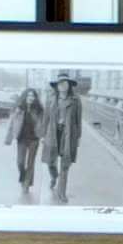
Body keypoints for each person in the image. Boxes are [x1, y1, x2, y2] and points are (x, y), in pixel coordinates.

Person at [43, 72, 83, 206]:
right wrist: (43, 135)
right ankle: (54, 177)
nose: (62, 85)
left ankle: (62, 193)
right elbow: (46, 118)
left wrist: (78, 138)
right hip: (53, 134)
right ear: (57, 86)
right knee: (50, 162)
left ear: (69, 85)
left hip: (68, 135)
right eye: (60, 83)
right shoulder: (50, 99)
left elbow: (78, 121)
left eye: (65, 83)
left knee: (65, 165)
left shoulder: (76, 100)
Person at [4, 87, 43, 196]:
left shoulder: (39, 109)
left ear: (35, 98)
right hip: (21, 139)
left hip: (34, 139)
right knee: (20, 162)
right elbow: (12, 124)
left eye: (33, 96)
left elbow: (43, 124)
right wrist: (8, 138)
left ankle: (26, 184)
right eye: (29, 95)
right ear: (25, 96)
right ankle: (23, 177)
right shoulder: (18, 109)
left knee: (30, 163)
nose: (31, 98)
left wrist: (43, 136)